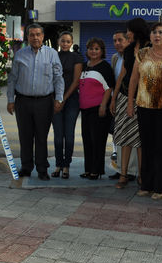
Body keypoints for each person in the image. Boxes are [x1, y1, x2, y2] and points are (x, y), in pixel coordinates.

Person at [127, 22, 162, 200]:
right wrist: (129, 103)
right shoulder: (141, 54)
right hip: (144, 107)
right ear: (149, 37)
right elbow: (134, 80)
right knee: (147, 147)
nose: (157, 35)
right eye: (154, 32)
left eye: (160, 32)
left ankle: (160, 187)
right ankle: (146, 185)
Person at [7, 23, 64, 180]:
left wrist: (59, 98)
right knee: (25, 136)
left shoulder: (52, 54)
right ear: (27, 37)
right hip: (23, 102)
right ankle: (26, 167)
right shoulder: (19, 54)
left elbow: (59, 78)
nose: (35, 38)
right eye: (32, 35)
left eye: (38, 34)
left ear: (43, 36)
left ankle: (42, 169)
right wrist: (10, 100)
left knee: (41, 137)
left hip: (44, 102)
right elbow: (12, 79)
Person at [110, 17, 150, 189]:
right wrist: (114, 97)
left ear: (136, 30)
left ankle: (142, 175)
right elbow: (122, 75)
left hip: (143, 99)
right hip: (124, 97)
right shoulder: (128, 50)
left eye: (129, 30)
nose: (127, 33)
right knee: (124, 137)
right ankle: (123, 174)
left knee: (140, 140)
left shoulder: (149, 49)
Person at [79, 37, 115, 180]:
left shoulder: (105, 67)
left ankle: (97, 170)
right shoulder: (84, 66)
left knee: (97, 141)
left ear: (101, 51)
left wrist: (103, 105)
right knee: (87, 140)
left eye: (96, 49)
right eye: (91, 48)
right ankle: (88, 169)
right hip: (85, 110)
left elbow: (109, 88)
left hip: (98, 110)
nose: (93, 51)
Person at [51, 32, 83, 179]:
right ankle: (58, 164)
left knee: (69, 136)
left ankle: (66, 166)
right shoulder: (53, 55)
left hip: (71, 100)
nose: (65, 44)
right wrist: (57, 99)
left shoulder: (76, 57)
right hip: (55, 100)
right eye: (63, 41)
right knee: (58, 136)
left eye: (68, 41)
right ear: (58, 41)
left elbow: (76, 81)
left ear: (71, 43)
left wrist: (63, 99)